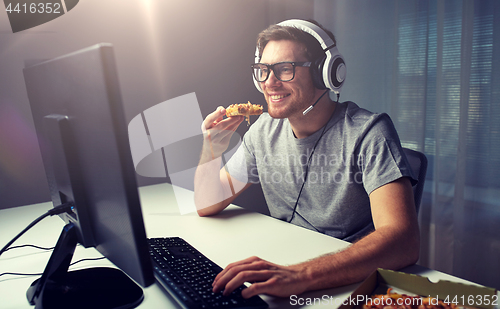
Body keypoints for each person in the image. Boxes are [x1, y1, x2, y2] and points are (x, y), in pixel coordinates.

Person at [194, 19, 420, 299]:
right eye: (262, 71)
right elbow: (206, 203)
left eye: (284, 69)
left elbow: (404, 242)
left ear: (325, 73)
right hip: (288, 267)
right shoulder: (262, 131)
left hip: (348, 284)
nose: (269, 83)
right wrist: (211, 147)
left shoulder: (369, 133)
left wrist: (301, 275)